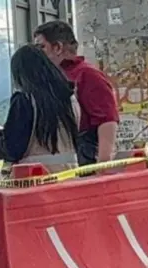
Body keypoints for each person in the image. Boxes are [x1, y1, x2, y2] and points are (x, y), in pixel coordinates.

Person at [33, 20, 119, 166]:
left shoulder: (87, 75)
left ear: (58, 47)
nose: (37, 54)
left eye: (41, 47)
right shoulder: (52, 77)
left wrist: (103, 165)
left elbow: (107, 121)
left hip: (85, 155)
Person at [0, 44, 80, 174]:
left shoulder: (25, 100)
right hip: (70, 175)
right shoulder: (69, 98)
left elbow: (13, 149)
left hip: (33, 180)